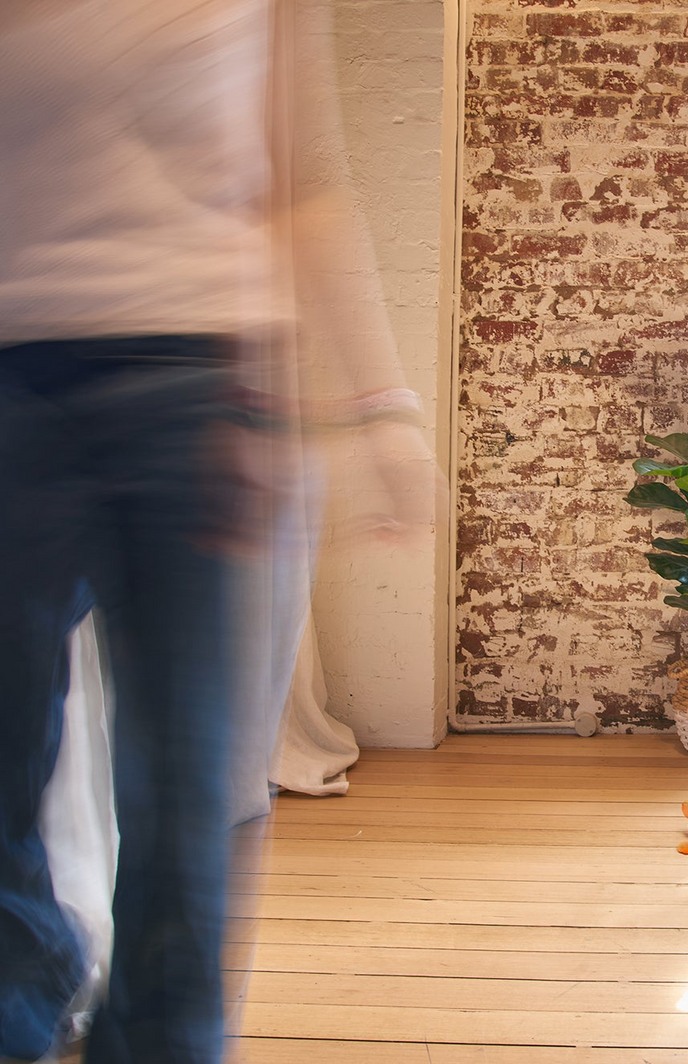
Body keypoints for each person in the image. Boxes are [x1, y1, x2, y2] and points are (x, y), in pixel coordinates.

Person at [0, 2, 434, 1060]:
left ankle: (162, 1038)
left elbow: (307, 184)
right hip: (12, 386)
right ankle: (24, 979)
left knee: (186, 773)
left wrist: (385, 408)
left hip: (190, 392)